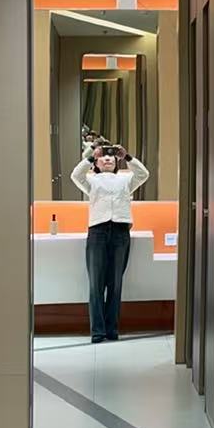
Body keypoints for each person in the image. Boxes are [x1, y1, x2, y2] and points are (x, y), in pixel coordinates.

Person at [70, 143, 149, 343]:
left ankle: (112, 329)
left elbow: (143, 174)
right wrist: (90, 155)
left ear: (116, 160)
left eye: (111, 156)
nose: (107, 159)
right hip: (98, 230)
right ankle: (97, 330)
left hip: (120, 230)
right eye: (103, 156)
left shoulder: (125, 180)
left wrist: (127, 157)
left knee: (115, 284)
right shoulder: (91, 180)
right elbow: (75, 175)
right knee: (96, 283)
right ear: (96, 162)